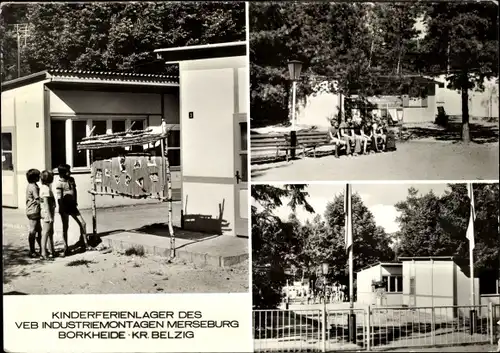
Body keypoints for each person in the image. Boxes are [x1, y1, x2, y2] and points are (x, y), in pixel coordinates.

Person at [55, 164, 90, 255]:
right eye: (67, 171)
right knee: (65, 227)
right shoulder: (59, 183)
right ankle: (65, 247)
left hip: (73, 206)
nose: (69, 172)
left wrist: (76, 201)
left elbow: (75, 190)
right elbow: (59, 198)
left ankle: (85, 244)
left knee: (83, 223)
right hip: (64, 208)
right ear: (62, 173)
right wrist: (62, 209)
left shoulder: (71, 179)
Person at [39, 170, 56, 260]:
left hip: (48, 213)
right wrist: (49, 216)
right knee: (45, 232)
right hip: (47, 213)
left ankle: (51, 250)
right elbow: (45, 203)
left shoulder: (45, 187)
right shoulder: (45, 189)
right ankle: (43, 253)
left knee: (50, 232)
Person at [25, 169, 42, 258]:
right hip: (34, 211)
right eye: (38, 176)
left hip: (32, 210)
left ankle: (41, 248)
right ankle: (32, 251)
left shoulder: (31, 185)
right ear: (34, 177)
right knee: (33, 231)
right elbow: (38, 199)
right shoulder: (34, 187)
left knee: (38, 230)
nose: (40, 177)